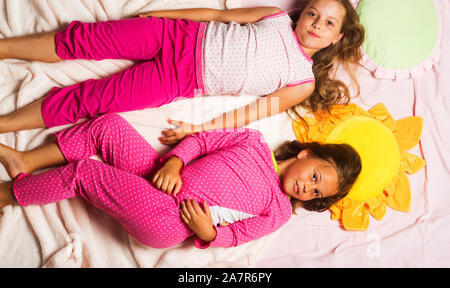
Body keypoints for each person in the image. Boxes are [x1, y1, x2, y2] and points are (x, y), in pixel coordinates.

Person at [0, 0, 364, 143]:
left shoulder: (302, 82)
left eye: (329, 23)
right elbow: (218, 14)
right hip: (175, 35)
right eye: (313, 14)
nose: (317, 23)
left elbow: (251, 112)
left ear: (336, 38)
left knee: (92, 101)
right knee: (82, 39)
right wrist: (165, 14)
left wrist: (200, 129)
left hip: (177, 79)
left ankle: (5, 124)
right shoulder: (274, 16)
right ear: (302, 14)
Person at [0, 113, 362, 248]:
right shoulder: (253, 141)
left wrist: (208, 232)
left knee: (84, 173)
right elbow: (203, 141)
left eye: (315, 192)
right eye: (314, 176)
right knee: (108, 126)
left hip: (171, 219)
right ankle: (24, 160)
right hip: (159, 175)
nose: (307, 188)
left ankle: (7, 194)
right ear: (306, 153)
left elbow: (238, 236)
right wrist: (174, 162)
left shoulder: (280, 210)